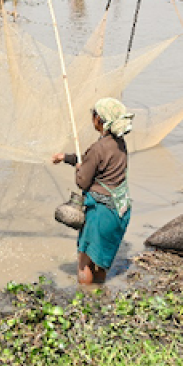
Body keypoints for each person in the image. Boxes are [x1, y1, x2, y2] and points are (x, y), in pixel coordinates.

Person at [51, 98, 134, 284]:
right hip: (119, 210)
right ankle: (98, 294)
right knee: (100, 263)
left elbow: (82, 181)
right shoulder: (119, 143)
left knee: (84, 261)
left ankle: (86, 300)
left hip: (100, 212)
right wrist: (66, 157)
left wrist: (78, 169)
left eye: (93, 115)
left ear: (99, 120)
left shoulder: (98, 148)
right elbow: (93, 162)